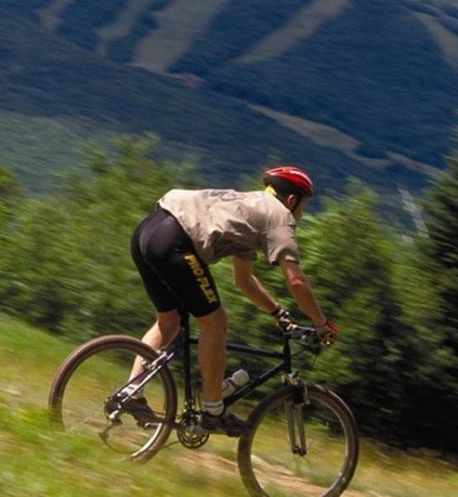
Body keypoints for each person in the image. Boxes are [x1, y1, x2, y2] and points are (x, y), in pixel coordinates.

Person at [126, 166, 338, 436]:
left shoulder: (249, 209)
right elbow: (295, 281)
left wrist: (277, 312)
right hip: (175, 242)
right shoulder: (280, 216)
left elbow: (244, 280)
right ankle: (213, 409)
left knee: (169, 322)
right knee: (215, 322)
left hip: (148, 231)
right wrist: (322, 323)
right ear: (292, 200)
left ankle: (132, 393)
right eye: (304, 206)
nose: (303, 214)